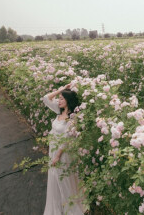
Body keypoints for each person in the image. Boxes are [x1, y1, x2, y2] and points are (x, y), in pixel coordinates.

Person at [42, 84, 86, 215]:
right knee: (54, 179)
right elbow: (46, 98)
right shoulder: (59, 111)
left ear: (68, 101)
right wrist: (61, 90)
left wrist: (57, 156)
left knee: (64, 179)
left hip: (63, 153)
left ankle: (69, 207)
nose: (58, 101)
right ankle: (58, 206)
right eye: (59, 98)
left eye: (62, 99)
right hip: (53, 150)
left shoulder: (72, 118)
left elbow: (67, 139)